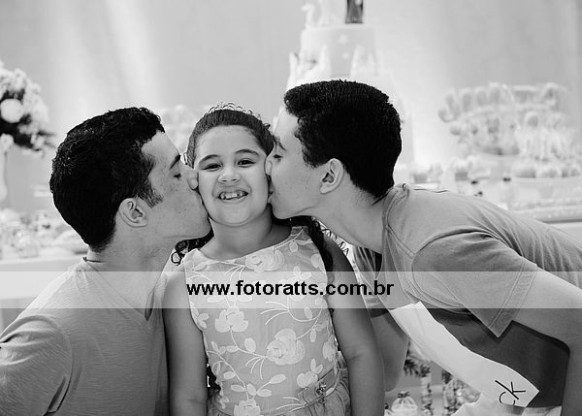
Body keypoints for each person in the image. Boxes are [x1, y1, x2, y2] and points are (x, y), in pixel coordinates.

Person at [265, 79, 582, 416]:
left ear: (329, 176)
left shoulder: (434, 252)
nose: (265, 165)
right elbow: (385, 369)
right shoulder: (369, 247)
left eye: (278, 154)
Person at [163, 103, 384, 416]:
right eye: (212, 165)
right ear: (194, 180)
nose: (229, 175)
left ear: (270, 171)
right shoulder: (184, 284)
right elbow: (189, 397)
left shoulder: (319, 252)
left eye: (245, 161)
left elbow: (361, 352)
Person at [0, 107, 210, 415]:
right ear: (134, 212)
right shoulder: (52, 332)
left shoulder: (175, 297)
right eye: (177, 173)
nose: (196, 177)